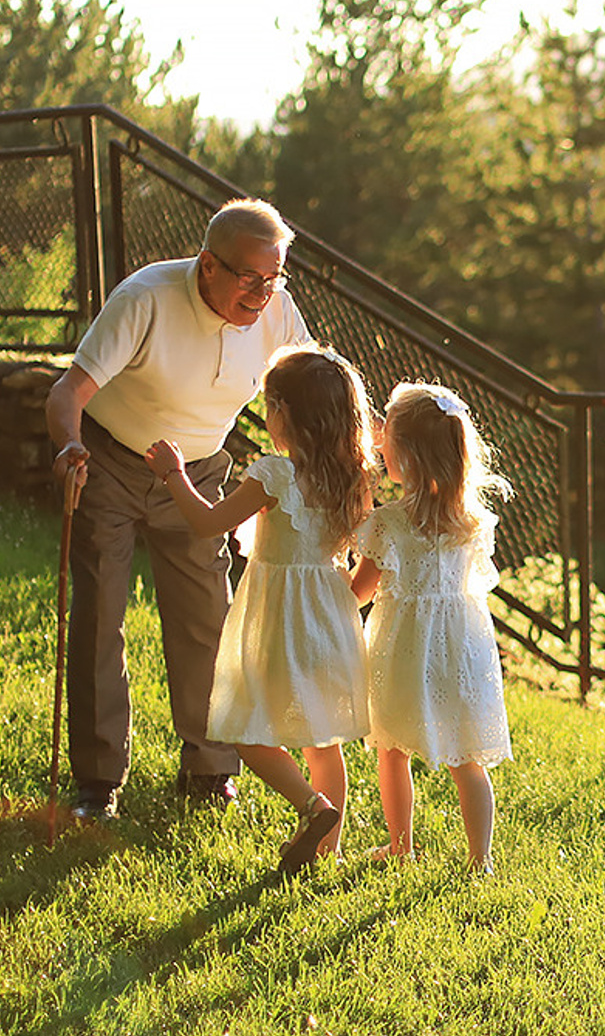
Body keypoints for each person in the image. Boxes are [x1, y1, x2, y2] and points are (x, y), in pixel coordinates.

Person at [45, 198, 310, 821]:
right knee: (100, 613)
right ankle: (97, 783)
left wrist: (367, 445)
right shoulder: (147, 298)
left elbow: (314, 390)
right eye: (249, 277)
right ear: (208, 265)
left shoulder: (276, 309)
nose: (262, 293)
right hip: (110, 460)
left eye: (274, 278)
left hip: (199, 469)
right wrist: (68, 449)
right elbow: (68, 391)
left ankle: (210, 769)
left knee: (206, 618)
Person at [145, 345, 378, 873]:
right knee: (323, 739)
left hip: (281, 619)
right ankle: (328, 850)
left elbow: (207, 523)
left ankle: (311, 805)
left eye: (271, 404)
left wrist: (174, 474)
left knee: (244, 731)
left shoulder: (274, 474)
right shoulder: (353, 478)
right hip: (330, 616)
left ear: (285, 414)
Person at [350, 382, 513, 870]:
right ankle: (480, 858)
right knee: (468, 759)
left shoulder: (390, 523)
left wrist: (331, 575)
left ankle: (401, 847)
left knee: (392, 750)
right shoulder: (474, 522)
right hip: (462, 649)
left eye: (388, 438)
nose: (380, 443)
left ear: (409, 454)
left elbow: (359, 592)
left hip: (405, 648)